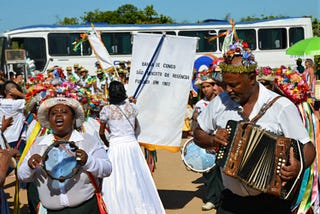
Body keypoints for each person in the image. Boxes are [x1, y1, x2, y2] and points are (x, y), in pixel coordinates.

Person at [193, 40, 316, 214]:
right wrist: (213, 140)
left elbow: (308, 147)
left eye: (234, 85)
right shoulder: (220, 103)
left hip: (271, 203)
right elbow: (198, 132)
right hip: (231, 201)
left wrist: (298, 166)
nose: (228, 90)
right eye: (225, 84)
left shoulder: (281, 107)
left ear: (252, 78)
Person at [18, 96, 112, 213]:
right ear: (49, 120)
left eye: (64, 112)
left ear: (73, 119)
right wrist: (29, 166)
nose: (58, 115)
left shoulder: (88, 141)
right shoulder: (38, 144)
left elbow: (107, 169)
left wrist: (88, 161)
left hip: (86, 209)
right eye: (53, 113)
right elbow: (22, 175)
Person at [99, 81, 165, 214]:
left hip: (116, 147)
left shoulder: (106, 110)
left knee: (116, 179)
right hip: (132, 145)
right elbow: (135, 127)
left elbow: (101, 133)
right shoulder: (132, 107)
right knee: (137, 176)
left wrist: (108, 144)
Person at [192, 63, 225, 211]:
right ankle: (212, 198)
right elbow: (196, 128)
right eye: (203, 87)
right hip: (208, 142)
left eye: (208, 86)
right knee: (210, 172)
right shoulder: (200, 104)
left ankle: (221, 198)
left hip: (222, 141)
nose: (206, 89)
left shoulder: (223, 102)